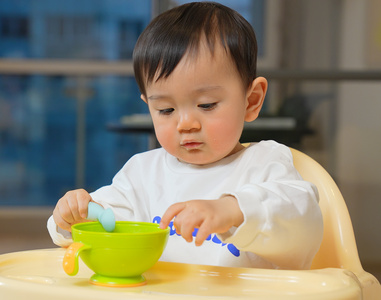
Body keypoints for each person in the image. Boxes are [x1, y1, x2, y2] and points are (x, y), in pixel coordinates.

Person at [47, 1, 323, 270]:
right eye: (166, 109)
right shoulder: (143, 173)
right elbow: (108, 223)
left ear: (251, 100)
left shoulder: (265, 163)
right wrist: (77, 215)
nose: (186, 124)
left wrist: (232, 210)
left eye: (206, 105)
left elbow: (302, 219)